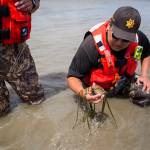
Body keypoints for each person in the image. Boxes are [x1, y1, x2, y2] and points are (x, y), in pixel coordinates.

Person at [67, 6, 150, 106]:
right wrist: (83, 93)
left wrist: (144, 75)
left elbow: (146, 54)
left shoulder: (138, 39)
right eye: (116, 36)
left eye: (126, 39)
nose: (119, 43)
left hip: (123, 82)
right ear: (110, 24)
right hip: (95, 89)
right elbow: (72, 77)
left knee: (146, 92)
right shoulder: (91, 45)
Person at [0, 0, 45, 117]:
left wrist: (33, 2)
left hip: (15, 52)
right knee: (1, 112)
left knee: (35, 100)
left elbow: (35, 3)